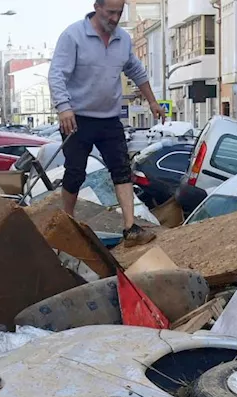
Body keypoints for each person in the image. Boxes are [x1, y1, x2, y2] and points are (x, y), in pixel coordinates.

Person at [49, 0, 166, 248]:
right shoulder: (73, 35)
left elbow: (136, 70)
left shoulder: (122, 39)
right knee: (75, 173)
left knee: (122, 170)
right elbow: (57, 73)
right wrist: (63, 107)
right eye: (110, 12)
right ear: (97, 7)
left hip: (110, 119)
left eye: (119, 12)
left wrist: (153, 102)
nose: (114, 18)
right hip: (77, 118)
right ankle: (67, 224)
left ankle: (130, 229)